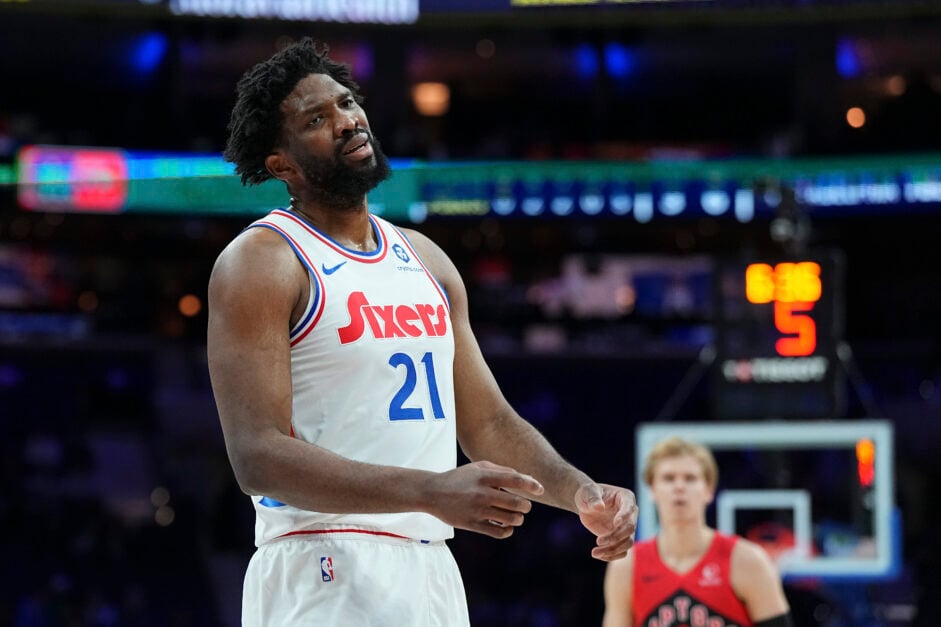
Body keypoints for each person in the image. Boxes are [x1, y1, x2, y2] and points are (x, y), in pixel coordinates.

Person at [207, 37, 639, 626]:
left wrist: (580, 492)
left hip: (430, 564)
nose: (346, 121)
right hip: (321, 560)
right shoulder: (264, 259)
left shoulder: (424, 257)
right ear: (281, 164)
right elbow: (256, 455)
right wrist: (428, 491)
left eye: (345, 102)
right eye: (316, 119)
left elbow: (487, 422)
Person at [602, 436, 791, 627]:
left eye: (690, 478)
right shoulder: (626, 567)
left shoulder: (748, 561)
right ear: (652, 489)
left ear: (709, 490)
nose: (679, 487)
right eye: (668, 478)